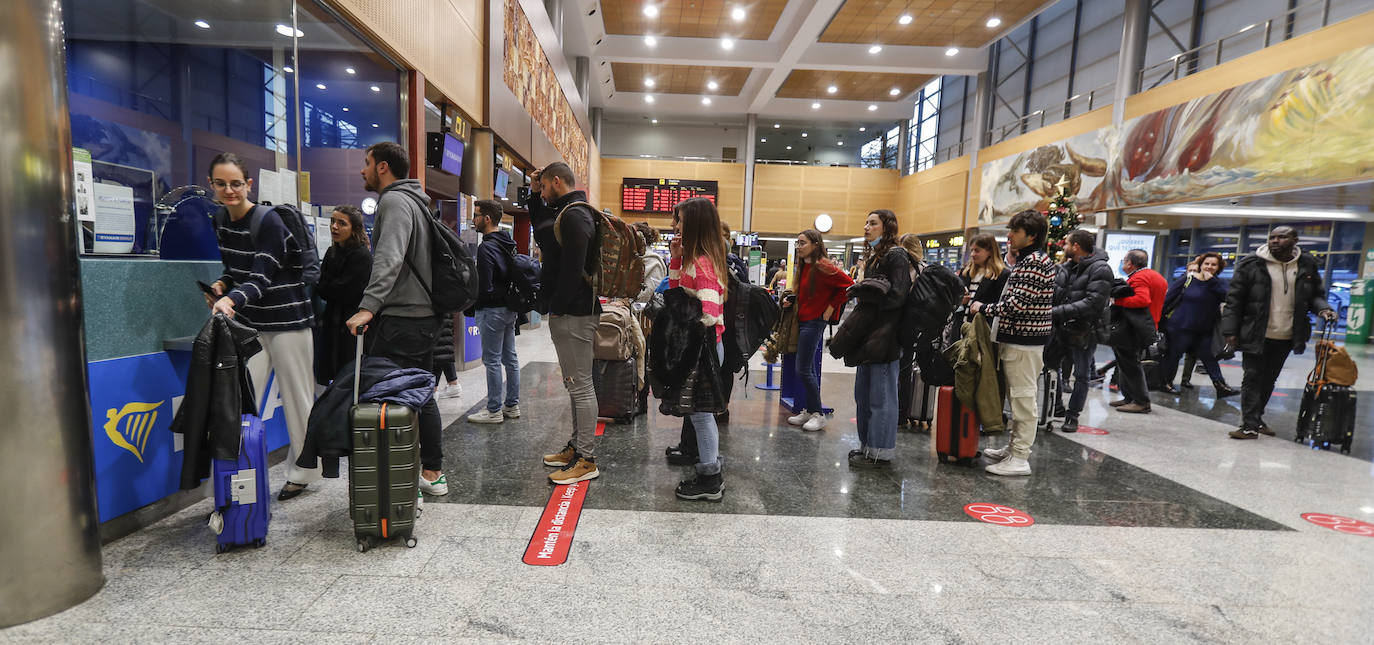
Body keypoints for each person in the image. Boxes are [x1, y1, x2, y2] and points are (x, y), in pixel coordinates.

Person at [204, 153, 321, 501]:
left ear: (248, 184)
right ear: (211, 185)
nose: (229, 190)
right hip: (251, 325)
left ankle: (303, 472)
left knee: (299, 400)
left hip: (289, 321)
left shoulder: (268, 221)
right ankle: (235, 474)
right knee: (239, 400)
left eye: (236, 183)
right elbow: (238, 271)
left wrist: (231, 300)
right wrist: (223, 286)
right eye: (221, 183)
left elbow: (261, 275)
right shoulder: (220, 220)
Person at [344, 141, 448, 496]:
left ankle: (403, 479)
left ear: (383, 167)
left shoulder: (394, 201)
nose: (363, 169)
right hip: (424, 316)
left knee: (392, 394)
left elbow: (388, 258)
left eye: (367, 162)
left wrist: (369, 305)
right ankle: (432, 473)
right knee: (422, 391)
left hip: (403, 318)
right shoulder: (419, 202)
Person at [1220, 226, 1337, 440]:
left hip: (1286, 334)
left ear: (1295, 240)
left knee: (1269, 379)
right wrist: (1229, 331)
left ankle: (1256, 418)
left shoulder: (1306, 265)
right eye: (1272, 237)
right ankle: (1249, 425)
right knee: (1253, 377)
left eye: (1282, 237)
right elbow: (1234, 300)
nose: (1275, 241)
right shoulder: (1252, 264)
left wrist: (1324, 308)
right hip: (1256, 331)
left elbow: (1315, 296)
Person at [529, 162, 602, 483]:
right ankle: (577, 446)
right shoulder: (567, 212)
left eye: (543, 187)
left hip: (575, 311)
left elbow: (573, 268)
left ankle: (587, 459)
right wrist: (533, 195)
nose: (542, 193)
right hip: (571, 310)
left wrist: (557, 306)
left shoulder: (575, 214)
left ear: (557, 181)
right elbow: (545, 235)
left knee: (582, 384)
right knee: (574, 384)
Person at [970, 210, 1056, 476]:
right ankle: (1013, 448)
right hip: (1018, 340)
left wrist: (983, 308)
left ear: (1031, 235)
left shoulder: (1035, 263)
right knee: (1016, 397)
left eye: (1015, 232)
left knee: (1022, 399)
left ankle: (1020, 457)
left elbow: (1016, 305)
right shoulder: (1029, 259)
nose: (1009, 236)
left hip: (1024, 342)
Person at [660, 197, 732, 500]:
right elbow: (674, 289)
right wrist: (675, 258)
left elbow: (708, 315)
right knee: (698, 412)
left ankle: (710, 478)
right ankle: (707, 462)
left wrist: (679, 315)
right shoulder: (696, 257)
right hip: (701, 347)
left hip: (703, 349)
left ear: (695, 224)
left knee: (702, 415)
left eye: (680, 221)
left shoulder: (703, 263)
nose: (676, 226)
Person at [833, 210, 910, 468]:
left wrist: (868, 291)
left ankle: (881, 452)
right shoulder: (877, 257)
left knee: (882, 397)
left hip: (886, 336)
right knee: (863, 395)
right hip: (870, 335)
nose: (866, 227)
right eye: (866, 222)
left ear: (887, 227)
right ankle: (867, 446)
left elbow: (898, 296)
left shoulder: (896, 255)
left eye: (873, 223)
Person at [783, 229, 853, 432]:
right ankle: (810, 409)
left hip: (814, 322)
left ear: (815, 244)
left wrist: (831, 307)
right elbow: (810, 292)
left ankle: (818, 414)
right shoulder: (806, 266)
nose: (798, 247)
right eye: (797, 243)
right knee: (806, 369)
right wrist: (793, 300)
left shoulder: (823, 266)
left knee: (803, 369)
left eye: (802, 243)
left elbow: (849, 286)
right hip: (804, 319)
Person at [1048, 229, 1112, 433]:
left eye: (1066, 243)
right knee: (1051, 367)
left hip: (1084, 330)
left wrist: (1057, 312)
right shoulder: (1065, 268)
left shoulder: (1101, 269)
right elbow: (1056, 293)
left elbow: (1093, 303)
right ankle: (1056, 407)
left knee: (1082, 374)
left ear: (1076, 246)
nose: (1063, 246)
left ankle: (1072, 415)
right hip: (1060, 329)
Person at [466, 199, 522, 424]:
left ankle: (493, 410)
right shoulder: (509, 242)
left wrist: (474, 303)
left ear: (487, 219)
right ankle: (512, 405)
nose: (474, 220)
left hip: (492, 311)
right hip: (510, 308)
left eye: (476, 215)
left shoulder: (487, 246)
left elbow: (485, 285)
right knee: (511, 359)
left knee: (492, 361)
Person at [1159, 252, 1238, 397]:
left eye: (1214, 264)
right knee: (1173, 356)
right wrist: (1158, 321)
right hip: (1180, 327)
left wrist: (1211, 281)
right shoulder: (1187, 279)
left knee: (1209, 357)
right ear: (1200, 264)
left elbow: (1228, 297)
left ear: (1219, 267)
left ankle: (1220, 385)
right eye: (1206, 263)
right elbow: (1168, 299)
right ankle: (1166, 383)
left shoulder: (1219, 283)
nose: (1209, 267)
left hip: (1204, 329)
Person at [315, 205, 371, 386]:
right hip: (332, 323)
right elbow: (322, 288)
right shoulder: (331, 253)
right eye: (332, 221)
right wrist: (332, 286)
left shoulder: (362, 256)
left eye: (341, 223)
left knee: (350, 376)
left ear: (354, 228)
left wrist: (331, 286)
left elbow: (348, 292)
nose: (334, 227)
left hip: (352, 325)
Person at [1108, 249, 1167, 415]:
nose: (1123, 263)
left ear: (1130, 263)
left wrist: (1117, 300)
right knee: (1126, 363)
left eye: (1124, 260)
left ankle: (1141, 401)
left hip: (1133, 327)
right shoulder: (1155, 276)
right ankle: (1129, 397)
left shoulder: (1140, 277)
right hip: (1145, 325)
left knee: (1131, 364)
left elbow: (1142, 299)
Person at [959, 233, 1009, 323]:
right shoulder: (965, 272)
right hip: (960, 328)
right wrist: (959, 301)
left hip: (982, 329)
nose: (973, 254)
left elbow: (1002, 306)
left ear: (990, 251)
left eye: (977, 251)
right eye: (972, 250)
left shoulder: (1001, 275)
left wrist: (983, 307)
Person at [633, 222, 667, 304]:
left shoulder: (654, 261)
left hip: (642, 313)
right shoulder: (630, 258)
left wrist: (626, 302)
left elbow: (649, 293)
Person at [431, 315, 462, 399]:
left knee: (440, 348)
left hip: (435, 313)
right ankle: (453, 384)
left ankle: (433, 389)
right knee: (444, 346)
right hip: (445, 312)